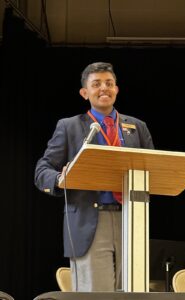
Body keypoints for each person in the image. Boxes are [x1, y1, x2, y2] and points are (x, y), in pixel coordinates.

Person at [34, 62, 154, 292]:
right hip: (89, 221)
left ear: (117, 89)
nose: (104, 89)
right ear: (84, 92)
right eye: (96, 84)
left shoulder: (137, 127)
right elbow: (42, 169)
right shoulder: (69, 126)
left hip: (132, 219)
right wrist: (60, 178)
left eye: (109, 83)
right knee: (95, 295)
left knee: (134, 293)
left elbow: (153, 170)